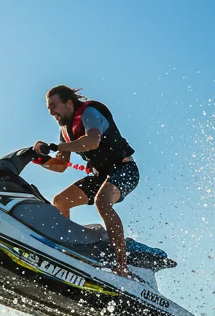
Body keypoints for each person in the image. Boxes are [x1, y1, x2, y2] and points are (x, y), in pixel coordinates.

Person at [33, 85, 140, 277]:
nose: (51, 112)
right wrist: (39, 159)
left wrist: (57, 146)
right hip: (100, 177)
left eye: (54, 106)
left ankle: (122, 266)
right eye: (49, 109)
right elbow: (61, 165)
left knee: (102, 202)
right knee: (60, 201)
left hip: (125, 169)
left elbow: (92, 141)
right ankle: (66, 250)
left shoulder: (90, 112)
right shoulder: (65, 131)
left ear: (69, 102)